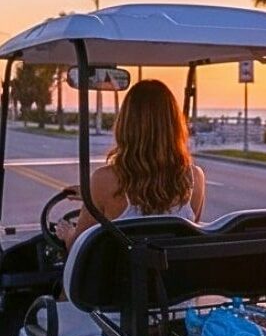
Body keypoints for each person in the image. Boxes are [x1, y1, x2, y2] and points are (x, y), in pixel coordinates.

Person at [56, 79, 206, 252]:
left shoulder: (104, 181)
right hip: (174, 277)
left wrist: (67, 234)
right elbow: (186, 237)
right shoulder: (195, 178)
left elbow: (78, 246)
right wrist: (90, 195)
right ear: (175, 125)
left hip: (120, 278)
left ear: (126, 124)